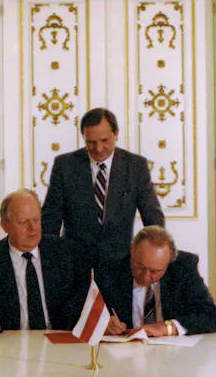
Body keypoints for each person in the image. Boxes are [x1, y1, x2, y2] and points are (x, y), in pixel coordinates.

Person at [0, 189, 90, 337]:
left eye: (36, 220)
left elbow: (83, 304)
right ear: (5, 225)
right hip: (9, 348)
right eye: (23, 222)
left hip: (59, 345)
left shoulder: (67, 254)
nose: (32, 228)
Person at [42, 108, 164, 266]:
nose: (98, 149)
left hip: (120, 263)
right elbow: (50, 219)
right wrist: (47, 261)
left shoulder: (135, 166)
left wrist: (157, 255)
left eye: (104, 140)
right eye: (91, 142)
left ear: (116, 134)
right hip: (74, 263)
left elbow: (152, 216)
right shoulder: (65, 165)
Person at [98, 226, 216, 336]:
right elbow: (83, 313)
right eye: (140, 267)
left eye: (155, 271)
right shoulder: (111, 269)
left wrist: (167, 327)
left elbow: (210, 316)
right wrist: (102, 325)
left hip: (173, 353)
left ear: (169, 261)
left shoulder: (182, 268)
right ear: (132, 249)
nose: (145, 276)